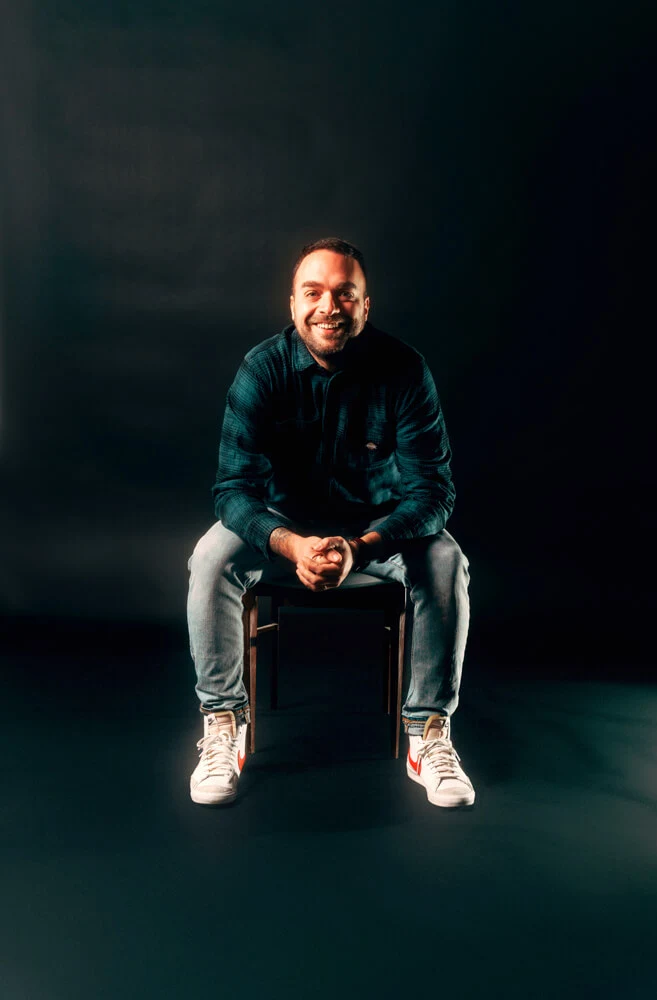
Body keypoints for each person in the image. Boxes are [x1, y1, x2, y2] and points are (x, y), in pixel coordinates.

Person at [187, 237, 475, 809]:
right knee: (210, 556)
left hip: (377, 530)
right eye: (313, 293)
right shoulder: (261, 370)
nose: (329, 307)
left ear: (365, 307)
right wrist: (293, 545)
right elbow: (232, 490)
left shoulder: (406, 371)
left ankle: (428, 735)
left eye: (346, 294)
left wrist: (360, 547)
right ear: (292, 304)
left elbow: (433, 492)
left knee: (446, 558)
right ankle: (224, 726)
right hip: (283, 527)